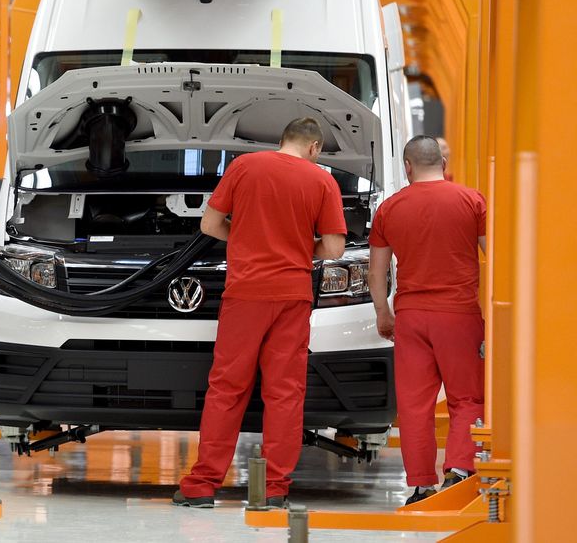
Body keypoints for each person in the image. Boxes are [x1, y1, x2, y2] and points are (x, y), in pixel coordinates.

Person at [174, 118, 347, 509]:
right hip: (292, 296)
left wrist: (246, 237)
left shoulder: (244, 167)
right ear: (315, 148)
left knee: (227, 388)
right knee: (285, 393)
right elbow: (335, 248)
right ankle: (273, 488)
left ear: (282, 139)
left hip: (245, 294)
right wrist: (299, 248)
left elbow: (209, 224)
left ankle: (202, 485)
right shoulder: (322, 181)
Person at [368, 136, 486, 505]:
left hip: (411, 317)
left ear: (407, 166)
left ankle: (420, 487)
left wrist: (383, 312)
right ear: (442, 163)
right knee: (467, 397)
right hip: (459, 314)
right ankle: (459, 470)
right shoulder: (472, 200)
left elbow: (377, 272)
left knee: (415, 404)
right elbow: (496, 256)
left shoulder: (389, 208)